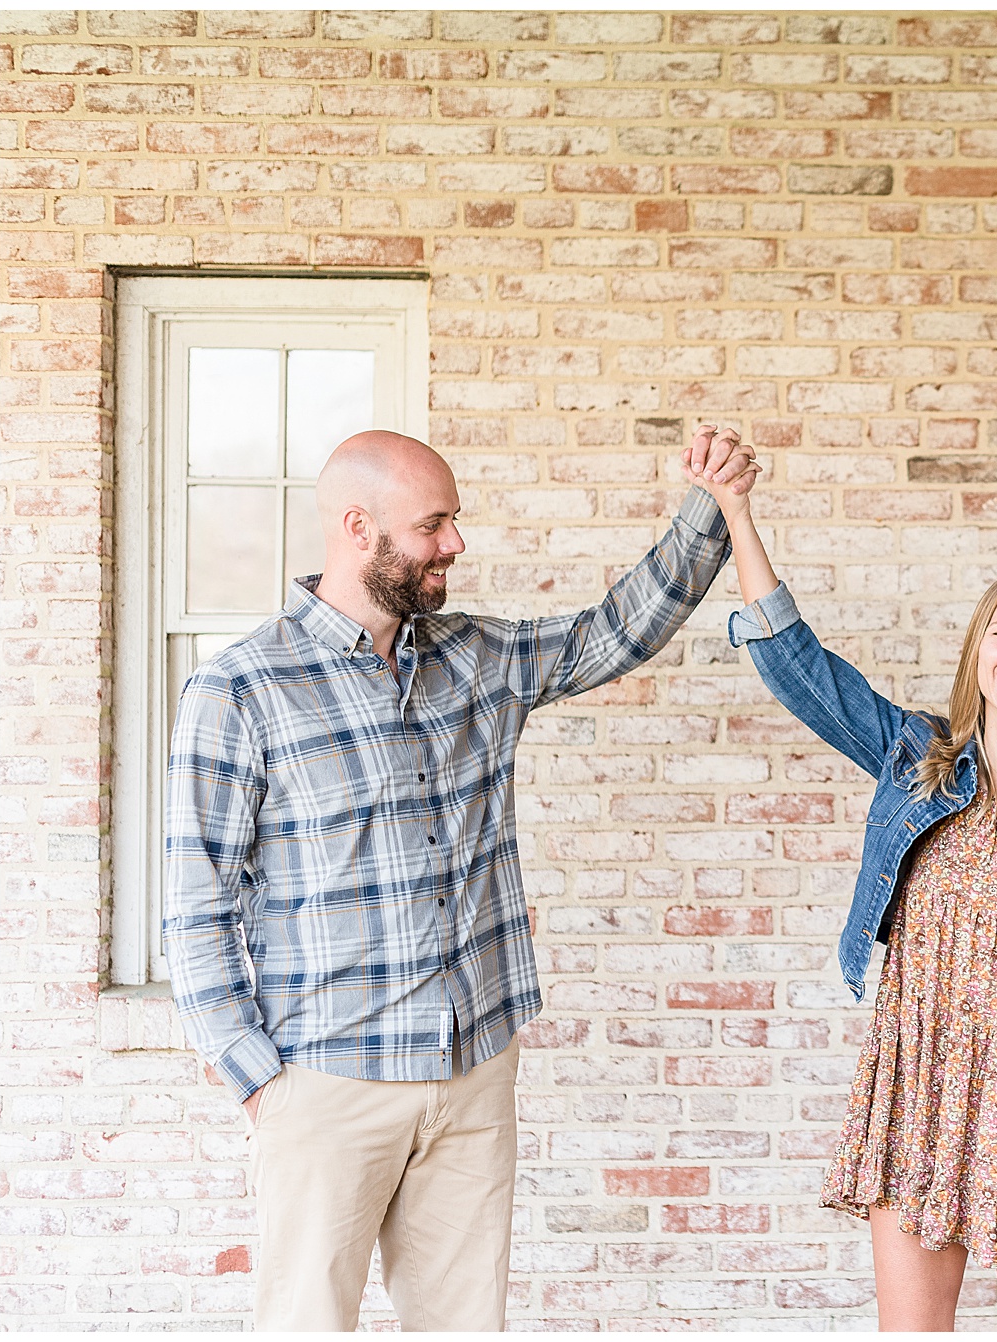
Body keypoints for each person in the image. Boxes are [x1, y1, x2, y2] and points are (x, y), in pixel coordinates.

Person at [162, 429, 756, 1331]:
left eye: (454, 522)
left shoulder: (475, 657)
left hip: (473, 1070)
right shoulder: (241, 690)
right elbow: (195, 906)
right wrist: (257, 1080)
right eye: (433, 524)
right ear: (360, 529)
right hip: (328, 1082)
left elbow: (612, 635)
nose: (453, 544)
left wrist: (708, 507)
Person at [686, 424, 997, 1332]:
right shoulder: (916, 757)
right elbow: (802, 671)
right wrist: (736, 510)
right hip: (924, 1081)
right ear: (978, 651)